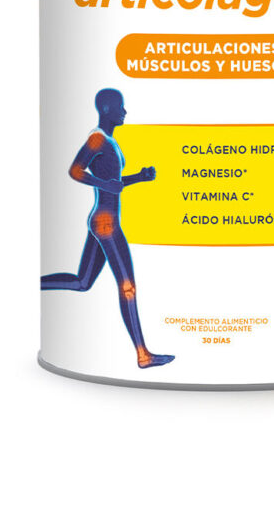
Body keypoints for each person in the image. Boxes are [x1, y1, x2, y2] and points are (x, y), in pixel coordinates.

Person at [41, 88, 174, 369]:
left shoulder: (109, 141)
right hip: (107, 223)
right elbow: (75, 170)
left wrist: (139, 177)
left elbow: (114, 183)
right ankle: (143, 355)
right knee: (128, 287)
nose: (124, 112)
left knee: (82, 282)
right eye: (120, 107)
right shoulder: (98, 139)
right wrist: (103, 184)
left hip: (102, 220)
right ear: (106, 109)